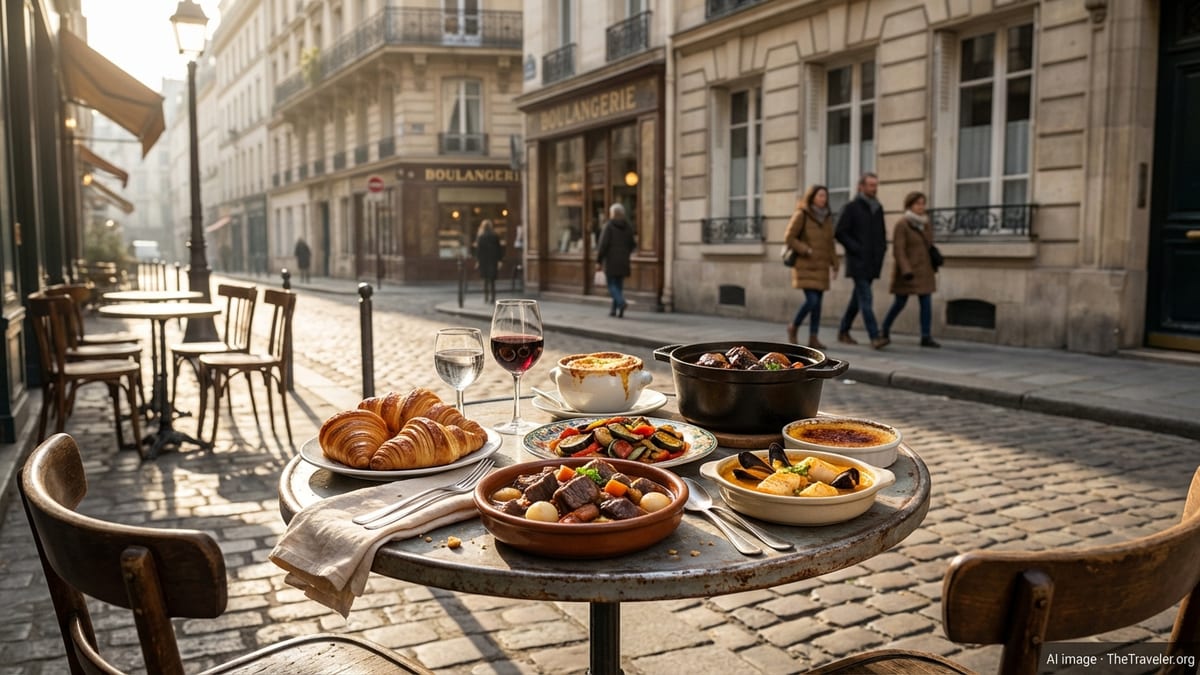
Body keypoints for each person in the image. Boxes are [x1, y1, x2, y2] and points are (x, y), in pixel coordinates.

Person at [835, 172, 889, 349]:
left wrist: (881, 251)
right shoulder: (851, 207)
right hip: (858, 262)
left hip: (873, 262)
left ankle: (843, 330)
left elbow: (881, 234)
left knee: (857, 300)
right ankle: (875, 336)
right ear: (861, 187)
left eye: (876, 185)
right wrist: (856, 249)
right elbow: (840, 232)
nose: (874, 188)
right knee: (866, 298)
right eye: (871, 185)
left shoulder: (877, 208)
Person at [881, 192, 940, 348]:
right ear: (910, 206)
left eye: (923, 203)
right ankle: (885, 329)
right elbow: (899, 250)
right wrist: (906, 269)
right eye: (917, 204)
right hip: (908, 272)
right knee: (900, 302)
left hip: (925, 269)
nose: (921, 207)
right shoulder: (902, 224)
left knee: (926, 302)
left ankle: (926, 336)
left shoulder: (926, 223)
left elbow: (929, 245)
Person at [784, 185, 837, 348]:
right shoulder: (802, 214)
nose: (823, 199)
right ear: (812, 197)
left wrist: (835, 263)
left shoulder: (827, 218)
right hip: (805, 265)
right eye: (820, 195)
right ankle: (793, 326)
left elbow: (830, 243)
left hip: (821, 266)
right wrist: (805, 249)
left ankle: (813, 337)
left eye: (825, 196)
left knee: (818, 304)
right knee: (812, 301)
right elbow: (789, 237)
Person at [595, 203, 636, 318]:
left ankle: (621, 303)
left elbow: (603, 245)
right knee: (618, 286)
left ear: (612, 214)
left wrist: (599, 260)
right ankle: (615, 310)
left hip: (611, 261)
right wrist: (625, 253)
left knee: (611, 286)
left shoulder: (609, 226)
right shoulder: (628, 226)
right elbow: (632, 244)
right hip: (623, 261)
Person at [474, 219, 504, 304]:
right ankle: (493, 298)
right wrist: (500, 260)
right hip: (493, 260)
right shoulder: (495, 236)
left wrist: (478, 261)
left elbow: (478, 251)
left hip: (484, 261)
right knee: (492, 281)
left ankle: (486, 297)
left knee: (485, 280)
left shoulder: (481, 236)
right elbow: (499, 249)